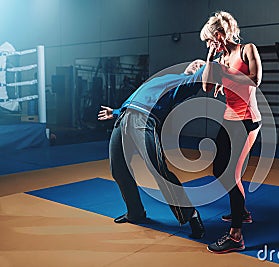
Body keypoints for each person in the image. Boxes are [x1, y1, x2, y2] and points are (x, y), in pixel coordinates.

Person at [98, 59, 206, 239]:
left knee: (158, 169)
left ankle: (191, 216)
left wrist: (211, 56)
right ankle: (135, 213)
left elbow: (208, 70)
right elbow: (140, 97)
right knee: (118, 169)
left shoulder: (187, 84)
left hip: (145, 120)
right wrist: (115, 112)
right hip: (124, 118)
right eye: (195, 62)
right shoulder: (168, 77)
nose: (196, 64)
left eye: (200, 65)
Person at [200, 11, 263, 253]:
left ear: (218, 35)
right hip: (228, 120)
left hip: (247, 121)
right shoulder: (220, 60)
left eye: (208, 41)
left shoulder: (247, 49)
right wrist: (209, 59)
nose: (209, 45)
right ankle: (242, 212)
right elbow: (207, 86)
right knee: (218, 169)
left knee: (231, 174)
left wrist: (226, 75)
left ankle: (236, 236)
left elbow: (255, 80)